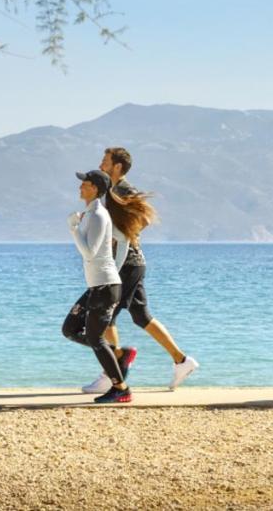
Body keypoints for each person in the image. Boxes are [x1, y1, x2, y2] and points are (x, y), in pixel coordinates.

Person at [81, 147, 199, 393]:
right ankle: (181, 361)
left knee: (106, 316)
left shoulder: (122, 189)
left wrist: (122, 238)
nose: (101, 162)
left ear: (117, 166)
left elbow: (143, 218)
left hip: (127, 263)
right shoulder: (110, 191)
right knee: (141, 316)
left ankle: (113, 370)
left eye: (106, 160)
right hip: (130, 263)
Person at [61, 169, 133, 403]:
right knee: (70, 329)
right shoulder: (90, 214)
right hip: (98, 286)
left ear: (95, 188)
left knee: (95, 338)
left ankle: (121, 388)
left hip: (105, 286)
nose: (80, 186)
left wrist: (73, 229)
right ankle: (118, 355)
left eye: (85, 183)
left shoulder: (99, 215)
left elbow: (89, 252)